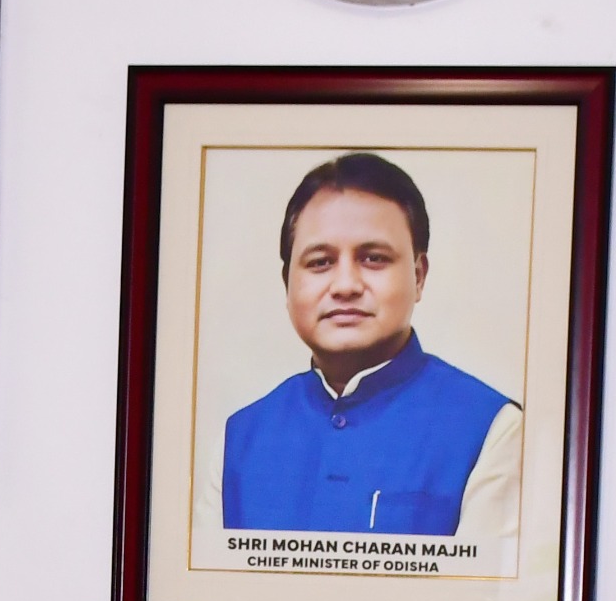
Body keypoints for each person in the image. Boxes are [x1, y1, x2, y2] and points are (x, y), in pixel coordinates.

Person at [211, 152, 521, 540]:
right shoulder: (239, 440)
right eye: (320, 262)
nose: (345, 286)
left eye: (374, 258)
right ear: (287, 283)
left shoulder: (493, 430)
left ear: (419, 276)